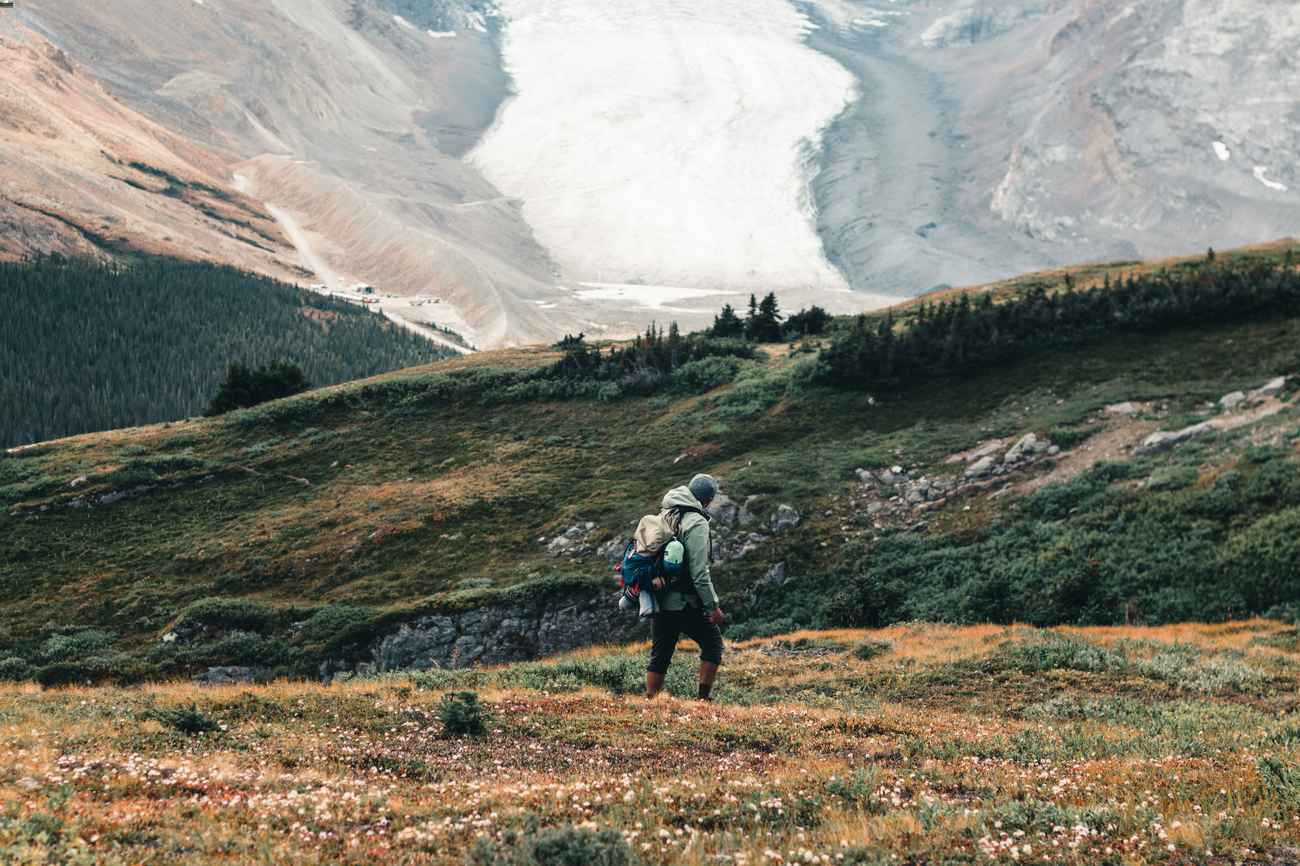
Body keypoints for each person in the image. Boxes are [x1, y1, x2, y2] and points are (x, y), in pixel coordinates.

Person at [645, 473, 726, 701]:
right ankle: (703, 699)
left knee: (660, 653)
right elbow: (700, 573)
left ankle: (651, 703)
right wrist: (713, 607)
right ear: (708, 500)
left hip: (660, 597)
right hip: (684, 601)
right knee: (713, 645)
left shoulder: (667, 512)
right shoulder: (697, 521)